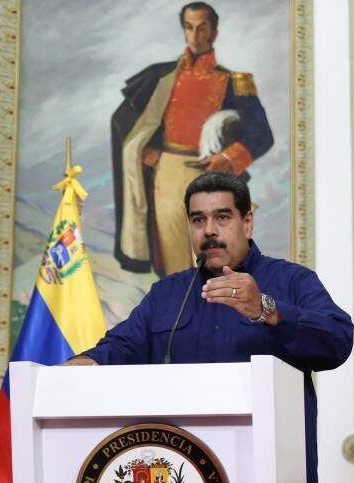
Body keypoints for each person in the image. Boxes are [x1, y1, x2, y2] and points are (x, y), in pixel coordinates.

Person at [67, 172, 353, 483]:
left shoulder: (292, 282)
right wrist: (72, 369)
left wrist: (267, 309)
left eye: (222, 217)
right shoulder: (168, 295)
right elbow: (119, 347)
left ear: (248, 222)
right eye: (198, 220)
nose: (210, 231)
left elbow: (337, 340)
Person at [111, 1, 274, 277]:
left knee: (215, 258)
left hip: (212, 177)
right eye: (189, 28)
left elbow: (262, 134)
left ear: (214, 33)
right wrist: (144, 150)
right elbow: (123, 121)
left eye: (202, 28)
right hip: (168, 174)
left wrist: (227, 159)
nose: (195, 35)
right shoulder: (161, 77)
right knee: (173, 262)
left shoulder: (234, 82)